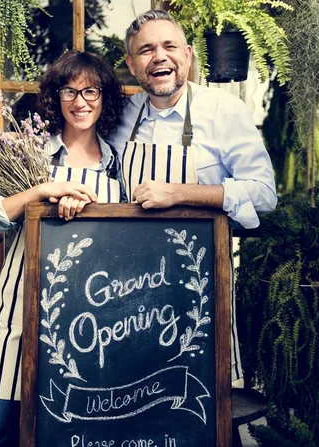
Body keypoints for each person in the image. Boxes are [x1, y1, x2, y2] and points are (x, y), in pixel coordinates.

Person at [106, 10, 277, 382]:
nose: (160, 56)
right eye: (146, 50)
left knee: (204, 405)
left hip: (198, 288)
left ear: (187, 55)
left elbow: (264, 194)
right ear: (132, 65)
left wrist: (179, 193)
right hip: (126, 291)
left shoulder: (222, 110)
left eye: (169, 46)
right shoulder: (122, 116)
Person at [0, 51, 127, 447]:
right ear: (55, 98)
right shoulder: (29, 156)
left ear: (104, 96)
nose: (81, 101)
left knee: (71, 430)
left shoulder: (118, 166)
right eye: (69, 91)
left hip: (90, 320)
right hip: (22, 310)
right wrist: (42, 192)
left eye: (90, 90)